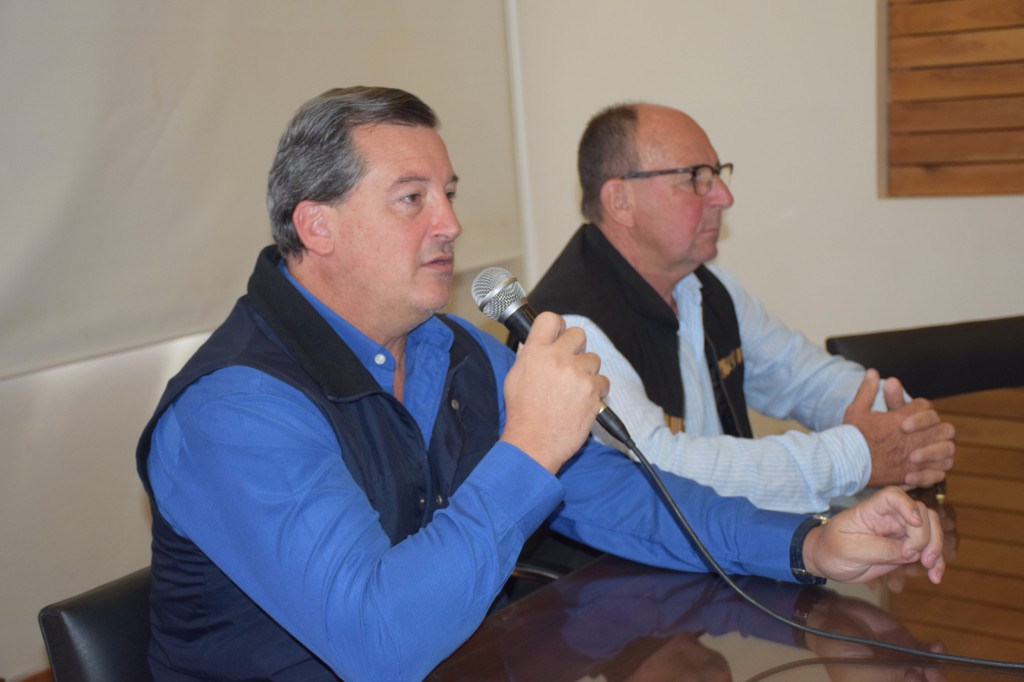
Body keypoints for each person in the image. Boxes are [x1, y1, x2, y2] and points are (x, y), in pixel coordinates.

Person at [137, 86, 945, 682]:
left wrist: (808, 543)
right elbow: (379, 645)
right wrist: (527, 449)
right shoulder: (235, 410)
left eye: (449, 195)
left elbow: (624, 497)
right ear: (318, 226)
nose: (450, 223)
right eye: (412, 200)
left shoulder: (451, 349)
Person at [523, 102, 956, 514]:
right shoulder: (568, 327)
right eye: (696, 177)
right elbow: (660, 468)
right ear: (621, 201)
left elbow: (802, 377)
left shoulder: (707, 288)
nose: (724, 197)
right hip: (623, 565)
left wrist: (902, 425)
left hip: (728, 547)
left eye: (717, 174)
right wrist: (854, 456)